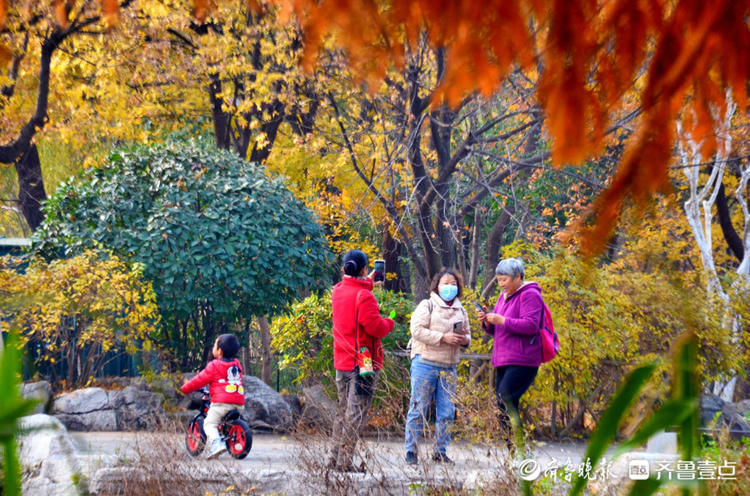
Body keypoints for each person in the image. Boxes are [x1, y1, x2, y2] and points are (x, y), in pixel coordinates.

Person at [330, 249, 395, 472]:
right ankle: (345, 462)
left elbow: (353, 289)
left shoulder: (337, 291)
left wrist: (367, 281)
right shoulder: (364, 296)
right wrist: (389, 322)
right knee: (356, 413)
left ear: (344, 269)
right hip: (363, 362)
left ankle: (334, 457)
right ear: (364, 269)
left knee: (343, 411)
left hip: (342, 360)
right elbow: (375, 327)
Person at [404, 268, 470, 465]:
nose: (449, 287)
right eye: (445, 283)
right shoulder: (427, 305)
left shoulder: (461, 310)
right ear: (437, 286)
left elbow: (468, 337)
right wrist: (443, 337)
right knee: (418, 407)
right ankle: (411, 451)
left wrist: (463, 339)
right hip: (425, 361)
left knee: (447, 411)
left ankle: (440, 450)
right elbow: (416, 330)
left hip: (450, 366)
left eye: (453, 284)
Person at [478, 258, 543, 450]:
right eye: (498, 279)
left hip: (523, 360)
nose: (501, 284)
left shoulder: (530, 295)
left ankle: (518, 448)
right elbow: (496, 331)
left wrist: (502, 320)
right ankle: (515, 450)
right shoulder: (502, 296)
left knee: (505, 398)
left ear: (518, 277)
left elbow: (531, 325)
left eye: (504, 279)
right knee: (502, 403)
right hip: (503, 359)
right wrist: (488, 321)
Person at [181, 333, 245, 459]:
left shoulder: (214, 365)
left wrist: (185, 388)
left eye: (214, 345)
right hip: (239, 401)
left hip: (222, 403)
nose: (213, 348)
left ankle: (216, 444)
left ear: (219, 351)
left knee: (209, 423)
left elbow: (199, 380)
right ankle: (228, 435)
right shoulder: (236, 364)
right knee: (223, 420)